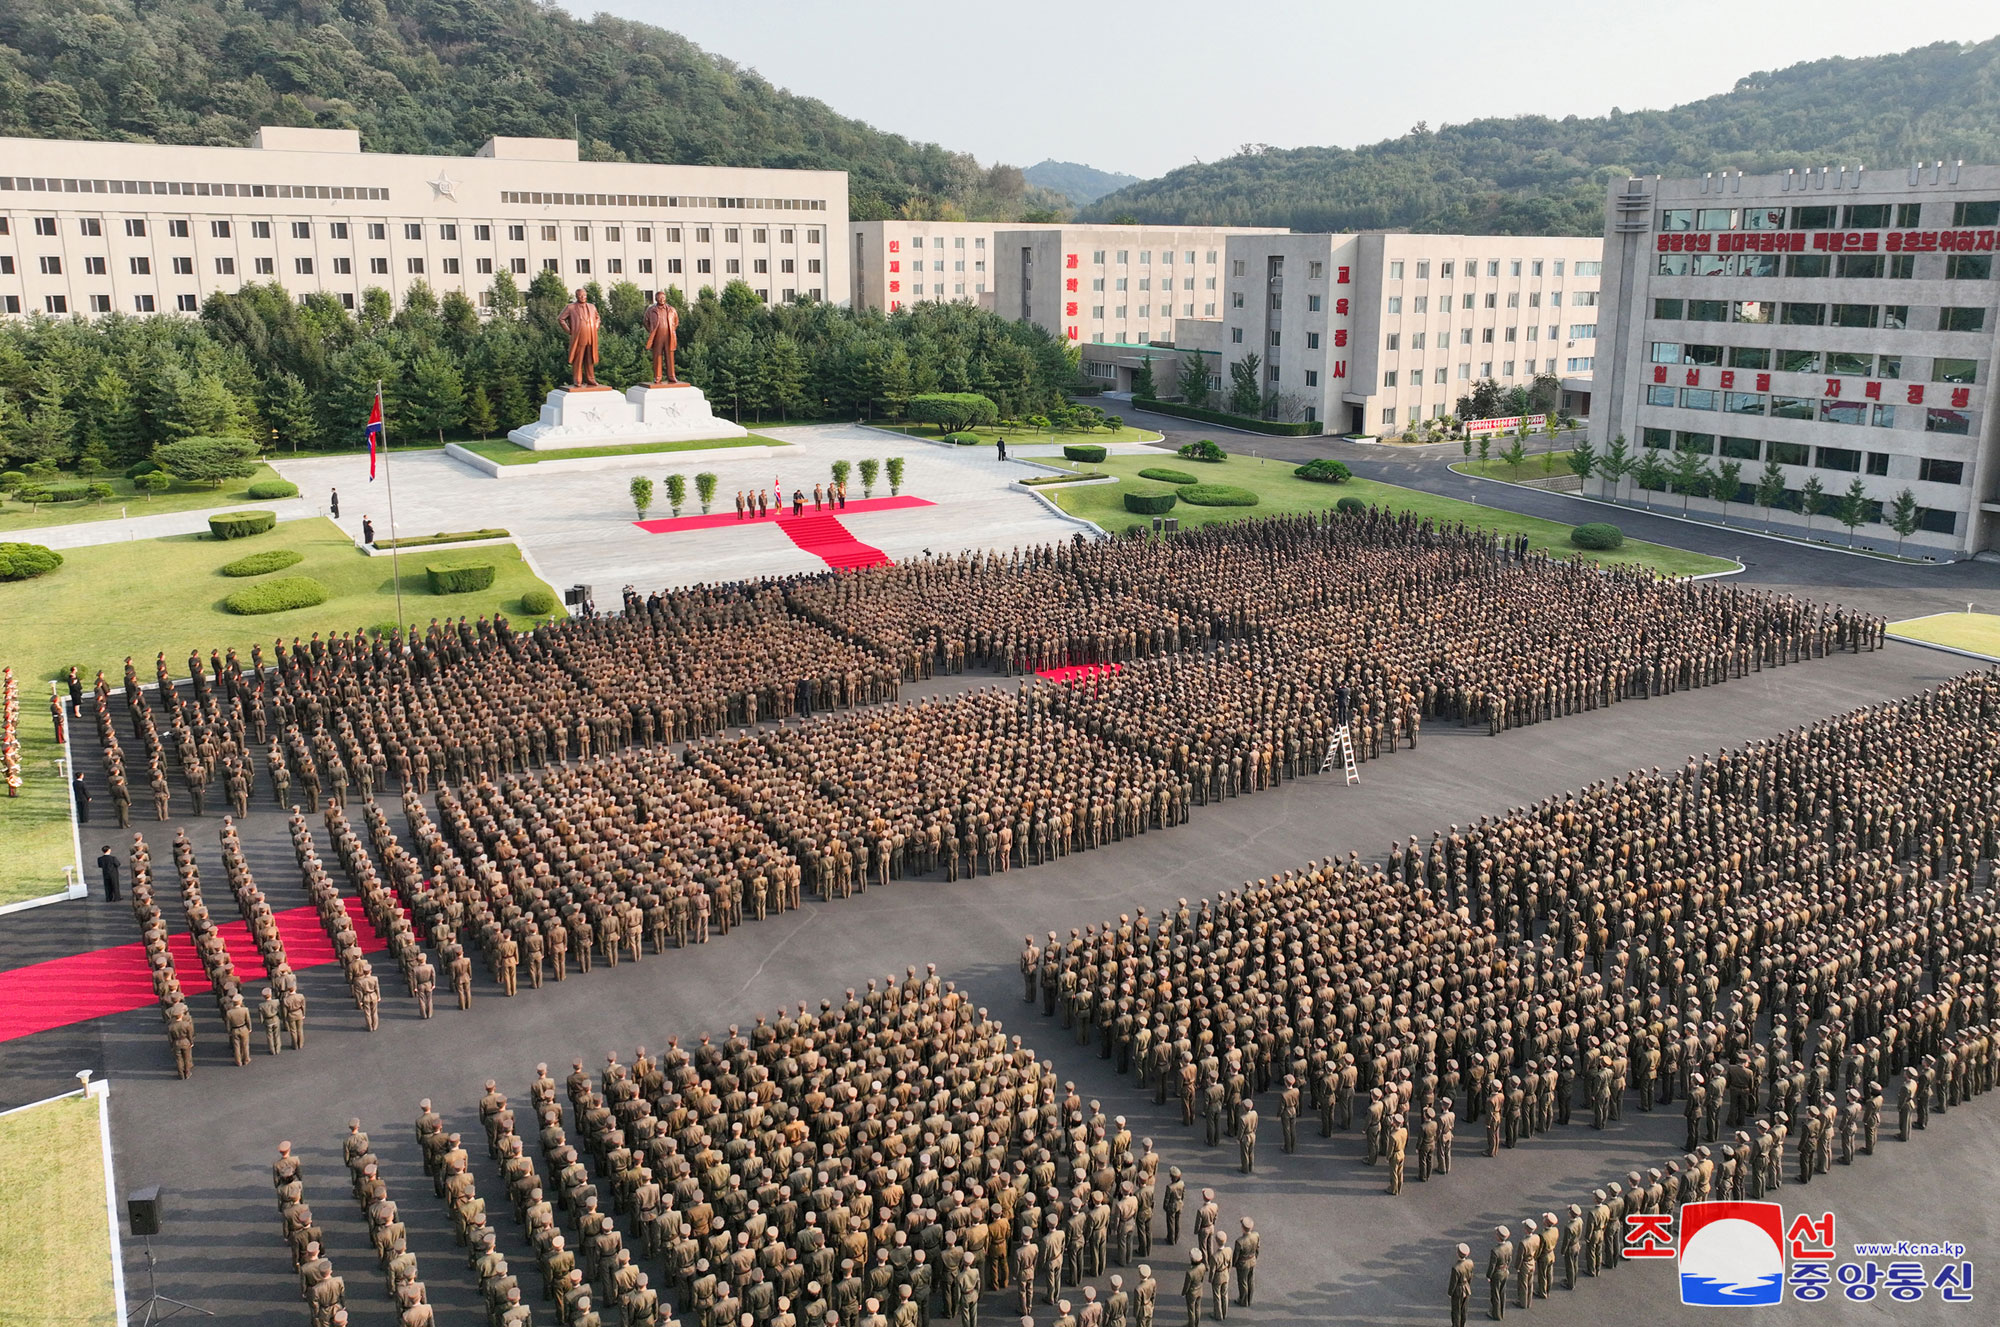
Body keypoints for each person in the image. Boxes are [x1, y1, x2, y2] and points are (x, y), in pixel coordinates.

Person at [1448, 1244, 1475, 1327]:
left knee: (1456, 1311)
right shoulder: (1470, 1263)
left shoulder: (1456, 1268)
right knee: (1464, 1309)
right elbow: (1471, 1276)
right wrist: (1468, 1285)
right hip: (1466, 1287)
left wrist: (1450, 1293)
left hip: (1458, 1291)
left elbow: (1453, 1282)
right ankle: (1463, 1324)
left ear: (1457, 1254)